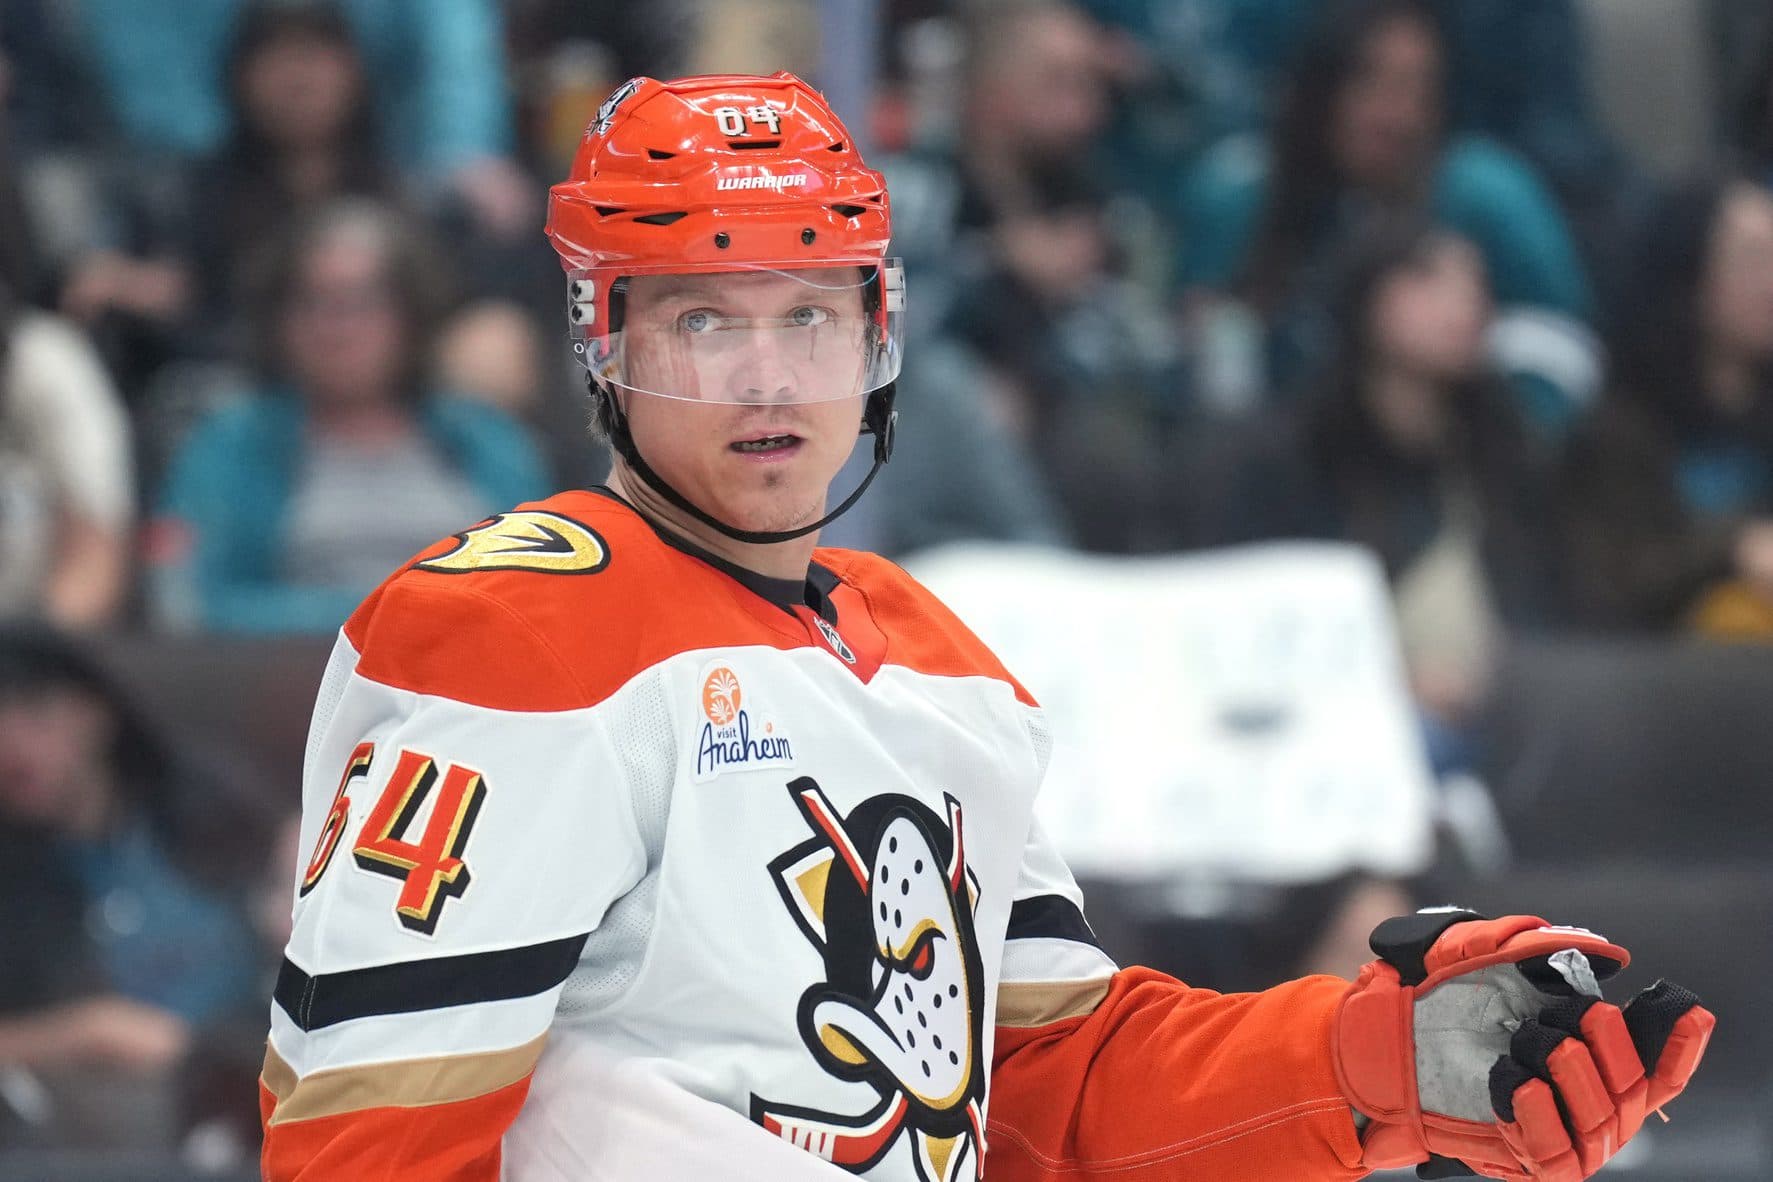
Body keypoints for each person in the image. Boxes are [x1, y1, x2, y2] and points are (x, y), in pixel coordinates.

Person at [258, 74, 1713, 1182]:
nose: (767, 376)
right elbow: (370, 1134)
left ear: (878, 333)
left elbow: (1049, 1082)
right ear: (606, 341)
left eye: (810, 316)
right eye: (703, 320)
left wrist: (1367, 1060)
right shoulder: (517, 634)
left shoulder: (937, 658)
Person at [149, 198, 548, 634]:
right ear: (279, 320)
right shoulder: (230, 444)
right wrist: (390, 614)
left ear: (411, 316)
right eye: (313, 301)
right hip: (290, 688)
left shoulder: (485, 440)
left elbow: (547, 588)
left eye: (363, 301)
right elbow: (189, 604)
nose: (337, 327)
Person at [0, 626, 264, 1149]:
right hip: (81, 1135)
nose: (10, 740)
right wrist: (81, 1036)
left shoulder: (207, 810)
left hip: (255, 1106)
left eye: (32, 710)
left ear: (95, 713)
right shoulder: (16, 884)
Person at [1559, 178, 1773, 634]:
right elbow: (1614, 588)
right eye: (1754, 258)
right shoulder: (1615, 431)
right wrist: (1734, 550)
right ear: (1688, 269)